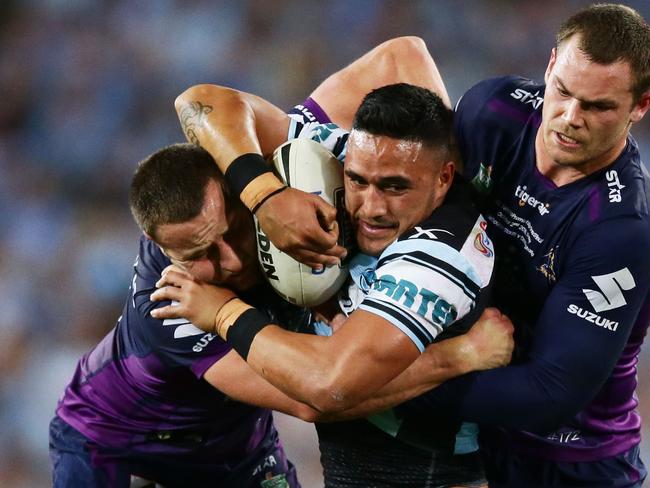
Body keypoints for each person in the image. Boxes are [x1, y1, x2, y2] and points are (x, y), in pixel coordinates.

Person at [217, 4, 649, 487]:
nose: (569, 118)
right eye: (563, 91)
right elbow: (416, 186)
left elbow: (547, 396)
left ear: (640, 105)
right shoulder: (495, 111)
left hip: (569, 461)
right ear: (549, 66)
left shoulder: (619, 229)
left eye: (597, 107)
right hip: (474, 438)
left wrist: (374, 376)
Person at [50, 38, 513, 488]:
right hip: (110, 439)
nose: (229, 260)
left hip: (235, 449)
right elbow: (318, 398)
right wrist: (457, 355)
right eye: (200, 255)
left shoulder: (283, 183)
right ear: (163, 247)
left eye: (230, 230)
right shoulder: (175, 304)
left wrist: (265, 195)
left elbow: (402, 53)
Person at [154, 81, 511, 487]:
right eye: (358, 181)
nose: (371, 208)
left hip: (424, 468)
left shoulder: (440, 257)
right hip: (352, 453)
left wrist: (223, 313)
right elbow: (201, 102)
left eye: (395, 187)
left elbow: (327, 388)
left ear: (444, 178)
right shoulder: (347, 152)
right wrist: (264, 196)